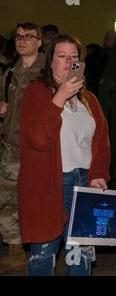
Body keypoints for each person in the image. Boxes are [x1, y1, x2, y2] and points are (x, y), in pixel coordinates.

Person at [17, 34, 111, 276]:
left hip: (84, 182)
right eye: (62, 56)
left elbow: (100, 141)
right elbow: (38, 139)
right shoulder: (37, 92)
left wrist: (99, 174)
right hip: (52, 182)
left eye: (74, 57)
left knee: (80, 255)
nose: (69, 61)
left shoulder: (88, 99)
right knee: (44, 254)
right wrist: (59, 96)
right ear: (50, 62)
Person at [0, 22, 45, 274]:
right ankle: (16, 250)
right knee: (6, 200)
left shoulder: (48, 72)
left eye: (28, 37)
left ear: (39, 42)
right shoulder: (9, 73)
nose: (22, 41)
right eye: (18, 37)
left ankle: (42, 251)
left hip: (39, 151)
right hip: (11, 149)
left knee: (38, 202)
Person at [84, 30, 116, 96]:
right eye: (109, 38)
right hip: (96, 90)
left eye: (112, 39)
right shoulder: (94, 56)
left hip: (108, 91)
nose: (109, 40)